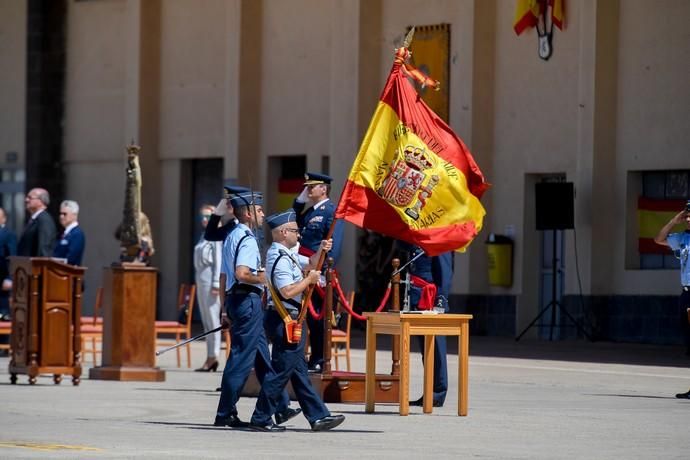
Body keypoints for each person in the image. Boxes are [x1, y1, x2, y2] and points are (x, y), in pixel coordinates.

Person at [249, 209, 345, 432]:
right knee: (281, 371)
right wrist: (309, 281)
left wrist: (321, 249)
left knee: (299, 372)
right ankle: (261, 416)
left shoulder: (288, 253)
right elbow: (287, 290)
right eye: (294, 231)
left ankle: (318, 417)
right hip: (285, 319)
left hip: (290, 319)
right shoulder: (279, 257)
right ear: (283, 232)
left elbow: (310, 263)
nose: (298, 235)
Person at [214, 190, 299, 428]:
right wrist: (264, 279)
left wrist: (224, 309)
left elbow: (223, 277)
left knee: (261, 356)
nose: (263, 214)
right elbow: (242, 273)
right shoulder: (248, 239)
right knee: (241, 359)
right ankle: (225, 413)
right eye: (259, 210)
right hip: (247, 301)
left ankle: (280, 406)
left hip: (236, 300)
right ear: (249, 213)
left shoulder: (232, 235)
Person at [292, 172, 344, 372]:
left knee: (318, 318)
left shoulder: (331, 211)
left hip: (318, 271)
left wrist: (325, 270)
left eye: (311, 186)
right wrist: (298, 202)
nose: (308, 189)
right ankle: (311, 357)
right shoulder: (308, 212)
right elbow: (291, 223)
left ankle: (320, 358)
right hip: (304, 269)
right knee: (305, 316)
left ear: (323, 188)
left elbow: (335, 245)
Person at [402, 243, 454, 408]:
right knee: (425, 349)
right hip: (417, 295)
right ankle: (429, 390)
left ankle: (438, 393)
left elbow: (445, 270)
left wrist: (441, 298)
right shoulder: (417, 236)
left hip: (431, 297)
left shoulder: (439, 237)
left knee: (436, 347)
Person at [654, 201, 690, 398]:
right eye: (686, 216)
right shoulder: (683, 238)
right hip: (686, 293)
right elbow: (659, 240)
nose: (688, 219)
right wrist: (672, 221)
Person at [194, 204, 223, 372]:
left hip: (210, 280)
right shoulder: (203, 235)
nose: (204, 220)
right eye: (202, 217)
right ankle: (209, 356)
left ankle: (214, 356)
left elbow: (218, 261)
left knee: (213, 320)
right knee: (206, 319)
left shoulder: (215, 236)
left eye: (208, 217)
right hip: (201, 278)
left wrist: (216, 284)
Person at [17, 188, 57, 257]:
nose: (26, 200)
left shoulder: (44, 220)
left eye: (30, 198)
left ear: (40, 201)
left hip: (35, 266)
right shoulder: (35, 219)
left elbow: (44, 248)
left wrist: (41, 266)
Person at [52, 200, 85, 266]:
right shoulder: (62, 233)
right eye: (60, 214)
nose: (61, 217)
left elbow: (71, 259)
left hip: (66, 274)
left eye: (64, 214)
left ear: (74, 215)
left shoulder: (77, 234)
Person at [0, 207, 17, 323]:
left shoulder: (9, 235)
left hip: (2, 282)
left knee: (2, 315)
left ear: (4, 219)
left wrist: (9, 278)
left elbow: (12, 257)